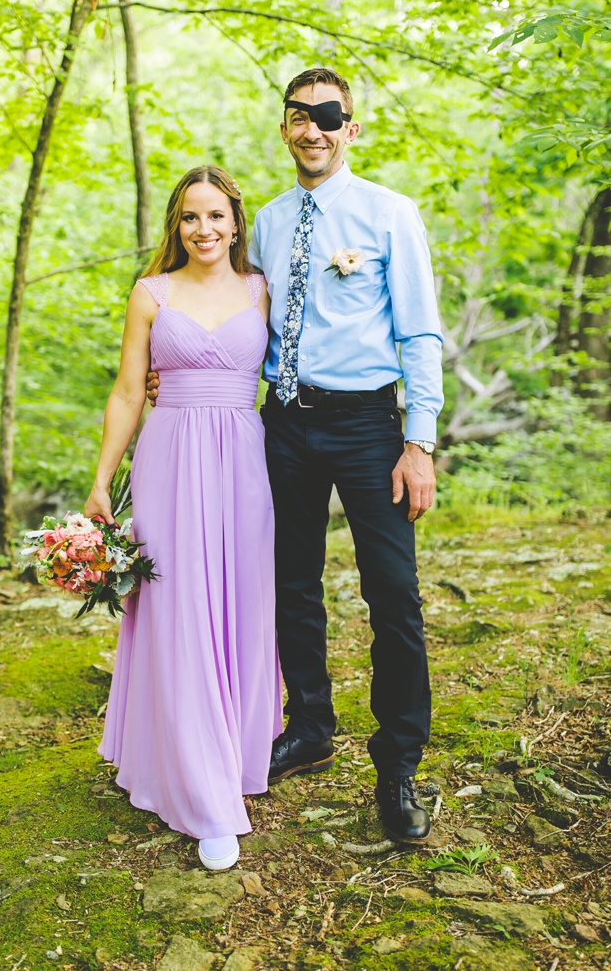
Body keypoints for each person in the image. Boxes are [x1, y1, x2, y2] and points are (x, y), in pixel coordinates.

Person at [149, 68, 443, 845]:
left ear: (351, 127)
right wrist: (169, 364)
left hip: (369, 424)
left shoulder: (390, 214)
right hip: (282, 421)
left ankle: (399, 763)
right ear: (284, 129)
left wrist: (419, 440)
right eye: (298, 116)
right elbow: (230, 305)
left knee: (393, 592)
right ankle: (309, 724)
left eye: (327, 115)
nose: (311, 128)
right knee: (288, 583)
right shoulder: (268, 225)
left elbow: (419, 333)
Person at [88, 166, 282, 872]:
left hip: (243, 459)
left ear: (237, 222)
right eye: (190, 218)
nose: (204, 230)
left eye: (216, 217)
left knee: (239, 601)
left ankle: (235, 748)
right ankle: (203, 794)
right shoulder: (151, 293)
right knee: (176, 606)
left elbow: (296, 372)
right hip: (168, 458)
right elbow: (125, 392)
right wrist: (103, 480)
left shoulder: (263, 289)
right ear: (177, 225)